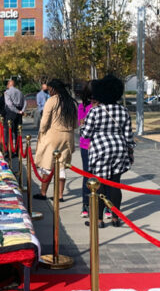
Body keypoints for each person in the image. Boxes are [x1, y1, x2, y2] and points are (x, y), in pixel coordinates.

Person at [80, 74, 135, 228]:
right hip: (119, 147)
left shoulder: (95, 111)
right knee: (115, 183)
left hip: (100, 149)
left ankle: (98, 220)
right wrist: (130, 151)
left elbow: (86, 134)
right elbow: (129, 136)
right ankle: (116, 217)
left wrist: (83, 126)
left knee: (99, 185)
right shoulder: (123, 111)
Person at [33, 79, 77, 203]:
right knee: (61, 166)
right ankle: (60, 195)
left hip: (53, 135)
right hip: (68, 135)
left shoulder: (52, 101)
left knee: (47, 165)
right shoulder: (71, 101)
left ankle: (43, 192)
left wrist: (42, 131)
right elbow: (75, 123)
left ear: (53, 89)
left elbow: (44, 121)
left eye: (49, 89)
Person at [78, 81, 98, 217]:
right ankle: (87, 204)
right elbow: (82, 123)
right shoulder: (84, 106)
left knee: (88, 174)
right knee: (94, 175)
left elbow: (81, 123)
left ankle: (86, 205)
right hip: (89, 143)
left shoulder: (83, 106)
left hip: (89, 144)